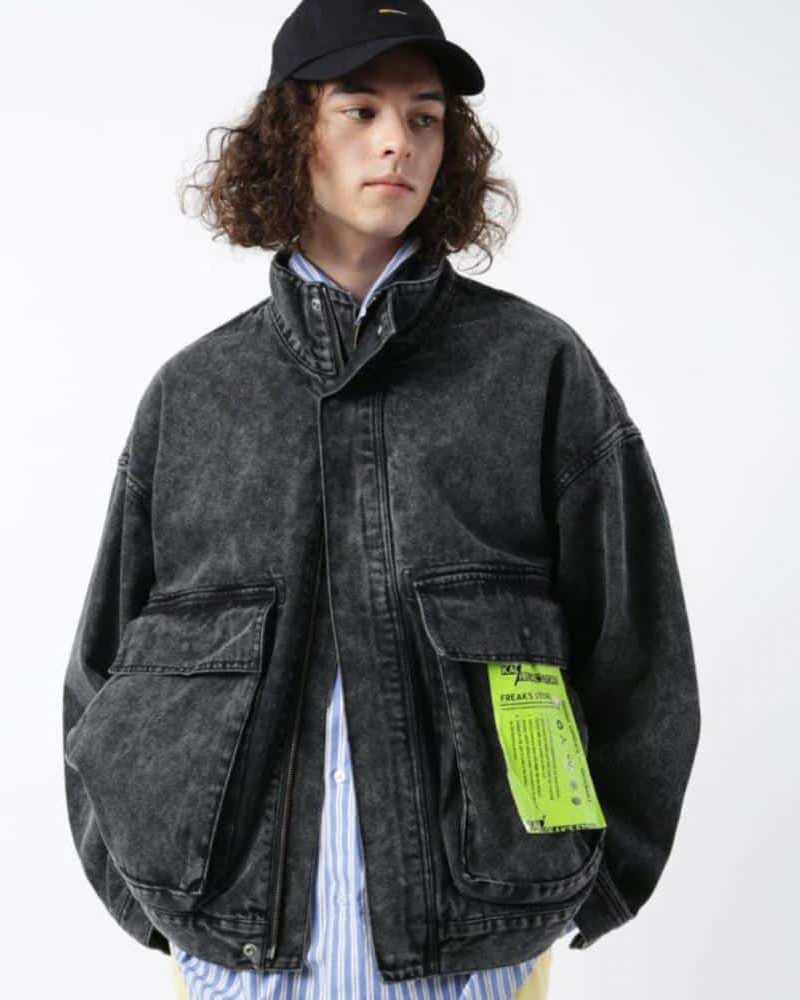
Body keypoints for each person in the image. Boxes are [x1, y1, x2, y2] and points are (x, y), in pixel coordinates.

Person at [62, 1, 700, 998]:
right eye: (358, 110)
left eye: (425, 116)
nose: (397, 140)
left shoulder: (535, 370)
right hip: (232, 955)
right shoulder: (194, 395)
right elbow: (105, 672)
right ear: (291, 135)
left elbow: (638, 652)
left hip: (478, 952)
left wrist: (585, 888)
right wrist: (146, 890)